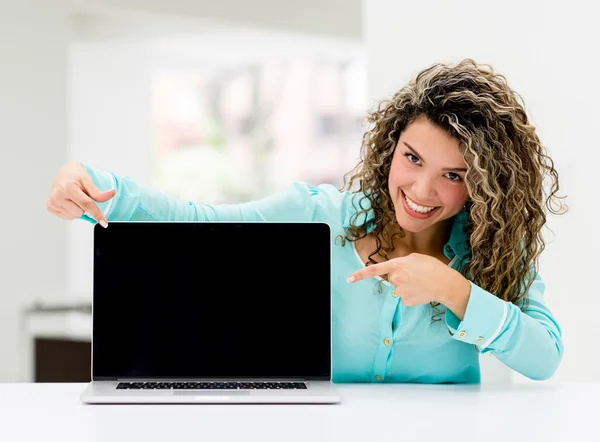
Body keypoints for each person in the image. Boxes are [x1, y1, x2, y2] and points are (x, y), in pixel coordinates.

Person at [47, 58, 567, 384]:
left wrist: (456, 291)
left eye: (452, 174)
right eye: (412, 158)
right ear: (390, 146)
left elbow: (543, 359)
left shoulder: (492, 246)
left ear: (483, 181)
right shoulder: (318, 215)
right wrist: (94, 184)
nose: (422, 190)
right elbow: (200, 220)